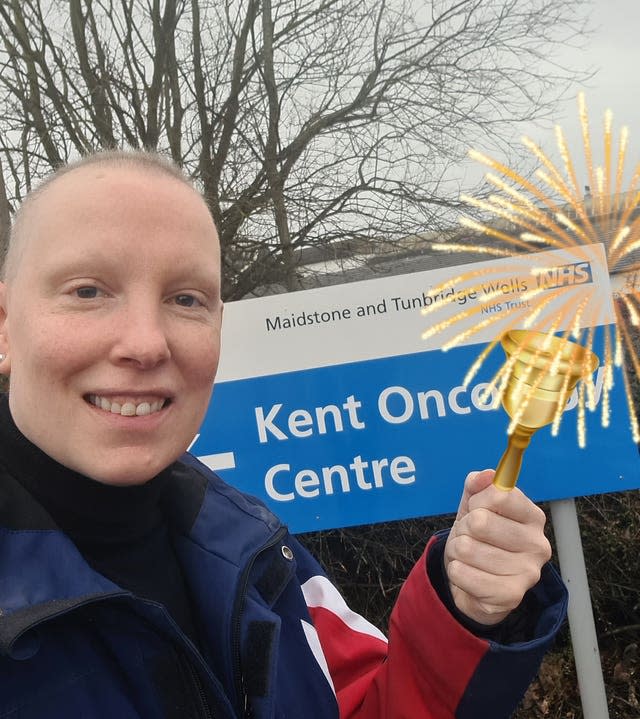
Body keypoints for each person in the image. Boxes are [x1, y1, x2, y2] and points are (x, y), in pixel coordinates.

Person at [0, 150, 566, 719]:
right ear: (5, 324)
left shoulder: (259, 558)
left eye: (186, 299)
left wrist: (463, 614)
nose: (147, 343)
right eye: (88, 291)